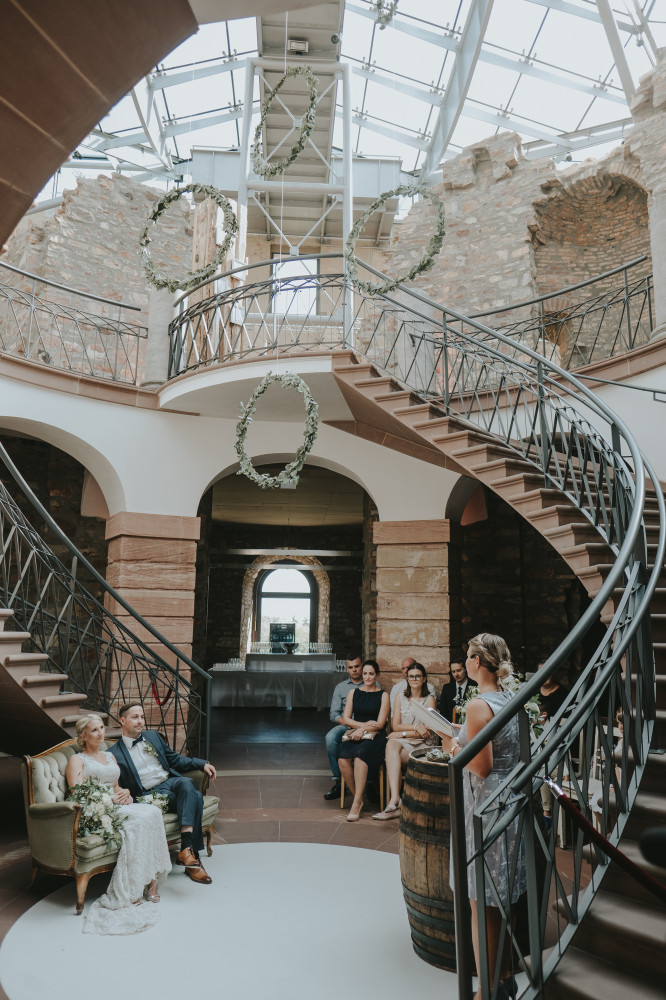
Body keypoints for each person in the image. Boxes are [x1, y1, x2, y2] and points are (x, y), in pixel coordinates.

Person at [442, 633, 526, 1000]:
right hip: (509, 801)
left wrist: (453, 744)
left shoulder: (478, 705)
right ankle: (503, 976)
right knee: (499, 898)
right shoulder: (511, 697)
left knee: (482, 903)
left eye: (468, 656)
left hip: (485, 807)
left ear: (476, 662)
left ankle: (485, 992)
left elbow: (481, 766)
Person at [65, 714, 172, 934]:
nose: (101, 733)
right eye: (94, 730)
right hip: (95, 810)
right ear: (84, 735)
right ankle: (132, 890)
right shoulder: (78, 759)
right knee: (139, 822)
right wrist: (108, 800)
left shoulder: (109, 757)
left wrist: (125, 793)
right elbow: (78, 793)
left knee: (152, 812)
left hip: (116, 805)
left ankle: (151, 880)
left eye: (102, 728)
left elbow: (116, 788)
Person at [109, 702, 217, 885]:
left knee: (185, 782)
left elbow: (175, 760)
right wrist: (122, 792)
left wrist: (201, 764)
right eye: (135, 717)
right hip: (149, 793)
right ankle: (192, 859)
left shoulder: (152, 736)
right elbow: (115, 783)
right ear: (122, 720)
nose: (140, 721)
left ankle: (185, 850)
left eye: (142, 717)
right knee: (196, 796)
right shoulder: (113, 754)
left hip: (170, 782)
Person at [373, 661, 437, 820]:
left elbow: (427, 732)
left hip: (423, 746)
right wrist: (415, 728)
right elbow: (395, 726)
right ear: (407, 679)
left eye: (417, 676)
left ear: (424, 679)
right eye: (411, 676)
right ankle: (396, 799)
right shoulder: (400, 697)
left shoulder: (429, 700)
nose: (414, 679)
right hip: (405, 743)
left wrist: (402, 733)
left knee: (392, 747)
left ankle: (395, 803)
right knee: (391, 744)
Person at [337, 659, 390, 822]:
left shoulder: (384, 695)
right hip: (356, 733)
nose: (367, 677)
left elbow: (380, 724)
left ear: (377, 675)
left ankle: (356, 804)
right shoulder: (354, 693)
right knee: (342, 757)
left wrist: (363, 729)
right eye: (365, 673)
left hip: (375, 736)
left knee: (361, 755)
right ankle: (358, 798)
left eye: (371, 674)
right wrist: (363, 726)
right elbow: (346, 719)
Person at [323, 653, 363, 800]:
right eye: (350, 667)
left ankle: (370, 784)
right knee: (330, 738)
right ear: (346, 669)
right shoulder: (340, 687)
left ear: (362, 666)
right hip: (346, 725)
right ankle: (339, 782)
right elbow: (333, 714)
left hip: (367, 726)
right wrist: (349, 723)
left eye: (357, 666)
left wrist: (363, 726)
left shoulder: (371, 683)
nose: (354, 670)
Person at [537, 667, 570, 830]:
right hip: (539, 764)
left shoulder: (552, 728)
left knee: (542, 776)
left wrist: (565, 773)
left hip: (556, 765)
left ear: (543, 715)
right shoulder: (533, 730)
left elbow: (561, 750)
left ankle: (546, 814)